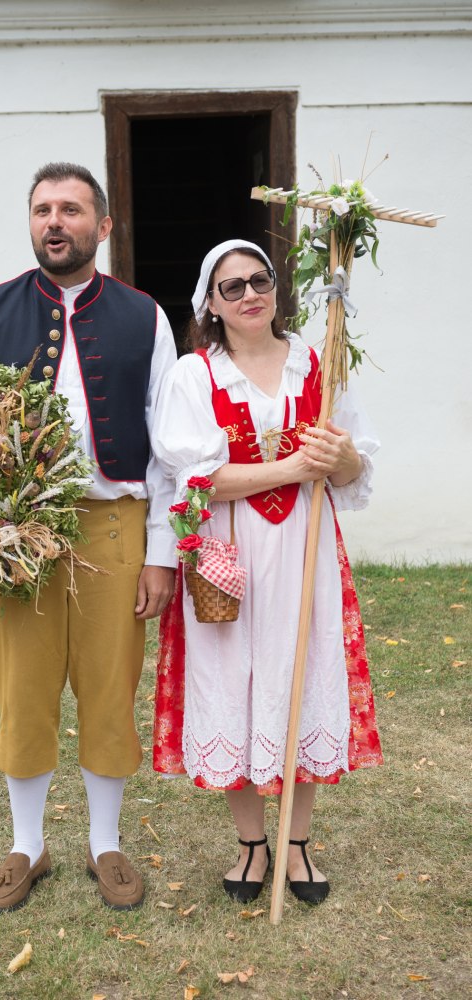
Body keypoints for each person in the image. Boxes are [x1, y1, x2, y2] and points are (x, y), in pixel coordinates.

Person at [0, 162, 177, 913]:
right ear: (31, 223)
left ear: (102, 226)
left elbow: (169, 451)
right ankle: (27, 845)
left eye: (72, 209)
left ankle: (105, 843)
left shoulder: (145, 316)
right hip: (21, 526)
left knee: (111, 684)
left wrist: (161, 554)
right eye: (43, 209)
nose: (55, 221)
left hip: (115, 523)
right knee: (23, 685)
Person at [152, 239, 383, 905]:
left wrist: (340, 459)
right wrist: (291, 468)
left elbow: (354, 469)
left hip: (305, 549)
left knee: (303, 675)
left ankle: (297, 843)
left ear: (276, 289)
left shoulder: (319, 362)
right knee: (236, 680)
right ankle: (253, 844)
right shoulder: (194, 377)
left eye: (260, 280)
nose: (250, 294)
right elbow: (195, 481)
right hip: (228, 554)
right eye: (232, 287)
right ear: (210, 304)